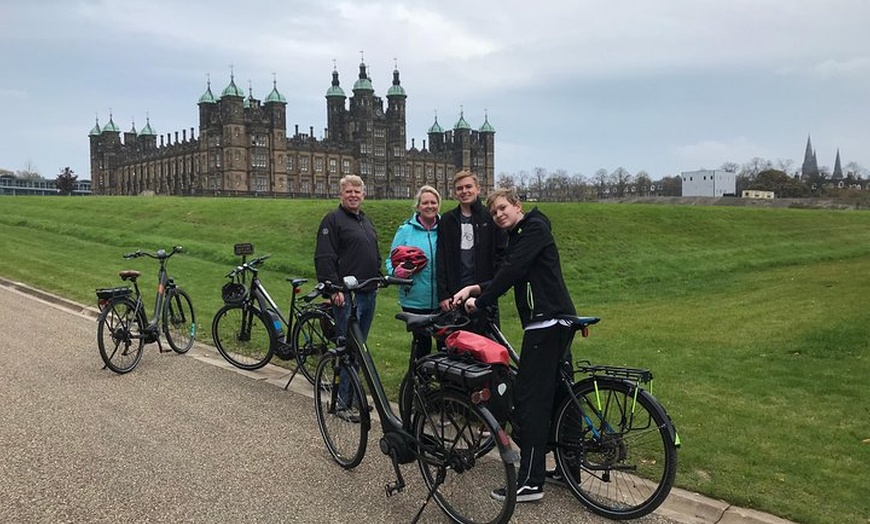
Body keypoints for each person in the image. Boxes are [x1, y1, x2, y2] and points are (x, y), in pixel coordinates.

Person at [452, 187, 576, 503]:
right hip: (557, 319)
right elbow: (506, 274)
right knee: (563, 394)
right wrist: (475, 289)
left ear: (517, 205)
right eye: (493, 213)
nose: (498, 215)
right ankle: (569, 468)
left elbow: (512, 270)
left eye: (503, 208)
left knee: (530, 401)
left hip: (546, 323)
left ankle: (531, 483)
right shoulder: (524, 233)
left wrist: (481, 304)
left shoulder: (533, 227)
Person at [314, 175, 380, 420]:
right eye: (348, 191)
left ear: (364, 194)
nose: (353, 195)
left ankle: (353, 398)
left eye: (357, 191)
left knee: (359, 349)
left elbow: (372, 250)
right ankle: (342, 403)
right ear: (341, 194)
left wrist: (378, 276)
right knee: (346, 348)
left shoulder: (365, 220)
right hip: (347, 296)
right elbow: (324, 257)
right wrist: (333, 289)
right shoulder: (332, 220)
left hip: (367, 292)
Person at [436, 169, 505, 333]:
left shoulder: (490, 218)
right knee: (458, 346)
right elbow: (441, 258)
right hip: (455, 293)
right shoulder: (447, 220)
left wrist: (493, 285)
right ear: (454, 193)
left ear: (478, 189)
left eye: (468, 187)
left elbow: (501, 254)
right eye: (460, 188)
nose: (464, 191)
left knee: (488, 344)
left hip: (483, 292)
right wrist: (443, 294)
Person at [386, 185, 442, 361]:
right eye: (425, 202)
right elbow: (390, 260)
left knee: (445, 345)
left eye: (433, 202)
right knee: (422, 345)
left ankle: (444, 387)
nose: (429, 206)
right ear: (418, 206)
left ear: (438, 205)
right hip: (415, 299)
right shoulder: (405, 231)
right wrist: (398, 272)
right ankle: (417, 384)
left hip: (443, 298)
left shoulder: (446, 227)